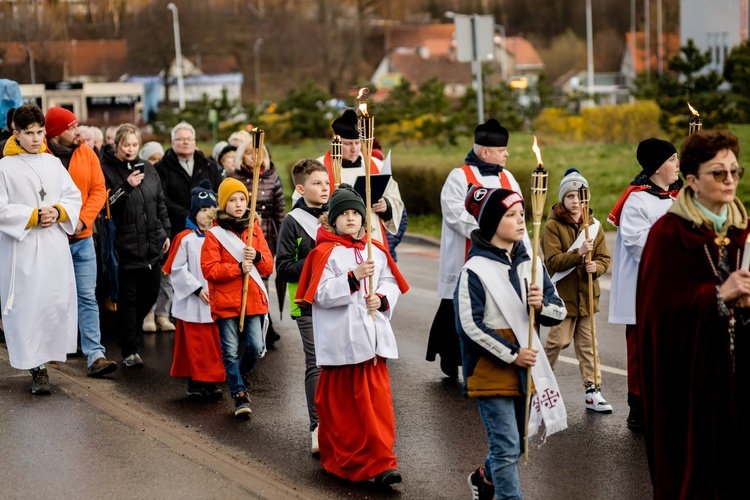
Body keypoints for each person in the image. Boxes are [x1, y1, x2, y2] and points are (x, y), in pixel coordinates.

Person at [636, 130, 749, 498]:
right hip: (690, 385)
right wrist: (717, 296)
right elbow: (658, 315)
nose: (730, 180)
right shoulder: (668, 235)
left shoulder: (742, 230)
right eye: (719, 173)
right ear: (692, 180)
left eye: (736, 171)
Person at [455, 186, 567, 500]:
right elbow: (469, 325)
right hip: (490, 369)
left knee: (518, 443)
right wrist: (513, 353)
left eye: (521, 214)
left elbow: (558, 309)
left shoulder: (531, 264)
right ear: (492, 223)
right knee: (505, 447)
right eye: (510, 215)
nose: (520, 221)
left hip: (525, 368)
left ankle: (482, 478)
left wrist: (540, 306)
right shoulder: (473, 271)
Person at [295, 183, 409, 487]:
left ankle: (383, 461)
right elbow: (318, 293)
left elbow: (392, 283)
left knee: (378, 407)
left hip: (372, 344)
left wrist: (382, 299)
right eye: (343, 214)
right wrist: (352, 279)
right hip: (341, 346)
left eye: (355, 214)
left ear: (363, 219)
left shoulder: (375, 250)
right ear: (333, 219)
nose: (350, 218)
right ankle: (347, 459)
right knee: (344, 410)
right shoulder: (324, 253)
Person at [427, 119, 528, 380]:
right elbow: (454, 214)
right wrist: (492, 231)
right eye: (502, 150)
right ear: (485, 152)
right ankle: (450, 355)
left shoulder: (508, 177)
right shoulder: (459, 176)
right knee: (458, 306)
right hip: (467, 253)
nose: (506, 154)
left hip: (503, 256)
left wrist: (524, 249)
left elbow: (519, 214)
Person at [0, 104, 82, 394]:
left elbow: (73, 197)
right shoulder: (4, 167)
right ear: (16, 133)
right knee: (27, 305)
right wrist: (33, 216)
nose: (36, 139)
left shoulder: (53, 163)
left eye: (40, 132)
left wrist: (59, 212)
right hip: (22, 247)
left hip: (52, 245)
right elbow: (1, 208)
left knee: (54, 300)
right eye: (29, 133)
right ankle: (37, 369)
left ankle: (47, 357)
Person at [607, 137, 682, 431]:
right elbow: (639, 244)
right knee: (641, 349)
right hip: (644, 288)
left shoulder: (679, 197)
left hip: (673, 286)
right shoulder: (637, 200)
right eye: (673, 159)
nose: (678, 165)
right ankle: (637, 405)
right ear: (658, 166)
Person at [44, 106, 118, 378]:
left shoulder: (87, 153)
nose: (78, 131)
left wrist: (83, 220)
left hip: (83, 238)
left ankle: (95, 356)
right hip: (51, 240)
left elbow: (99, 190)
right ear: (55, 133)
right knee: (52, 297)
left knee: (87, 296)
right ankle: (47, 354)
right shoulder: (41, 156)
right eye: (71, 127)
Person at [201, 177, 274, 418]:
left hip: (251, 300)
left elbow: (268, 267)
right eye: (232, 200)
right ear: (223, 204)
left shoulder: (254, 229)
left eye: (242, 199)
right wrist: (237, 268)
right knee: (230, 351)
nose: (239, 204)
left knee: (256, 346)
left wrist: (259, 258)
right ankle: (238, 393)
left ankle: (238, 375)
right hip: (225, 301)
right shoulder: (214, 235)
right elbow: (209, 269)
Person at [541, 168, 612, 412]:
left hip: (587, 297)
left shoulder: (594, 226)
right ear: (563, 198)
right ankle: (539, 384)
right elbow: (552, 263)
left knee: (588, 346)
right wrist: (578, 254)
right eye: (570, 196)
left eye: (580, 196)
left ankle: (593, 391)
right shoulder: (552, 226)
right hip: (563, 298)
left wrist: (597, 267)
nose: (576, 201)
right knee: (557, 341)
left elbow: (604, 258)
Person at [100, 123, 171, 368]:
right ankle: (129, 348)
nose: (130, 149)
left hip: (152, 244)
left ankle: (129, 331)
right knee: (128, 300)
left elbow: (160, 203)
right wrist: (126, 186)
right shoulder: (107, 169)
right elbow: (107, 204)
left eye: (134, 145)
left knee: (150, 294)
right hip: (125, 246)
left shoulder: (149, 168)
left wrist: (166, 233)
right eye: (125, 145)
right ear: (117, 145)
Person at [275, 158, 330, 454]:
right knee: (317, 363)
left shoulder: (334, 215)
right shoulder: (292, 222)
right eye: (316, 183)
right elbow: (282, 267)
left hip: (336, 301)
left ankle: (338, 422)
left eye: (326, 183)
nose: (324, 188)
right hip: (305, 302)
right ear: (300, 188)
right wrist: (316, 263)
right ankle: (317, 427)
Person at [293, 109, 405, 248]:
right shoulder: (317, 167)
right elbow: (300, 202)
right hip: (334, 240)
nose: (354, 149)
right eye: (348, 144)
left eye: (357, 143)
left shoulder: (376, 165)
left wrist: (386, 205)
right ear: (336, 142)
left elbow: (395, 197)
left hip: (371, 238)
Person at [151, 122, 222, 333]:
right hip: (174, 226)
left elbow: (217, 193)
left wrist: (206, 216)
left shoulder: (208, 165)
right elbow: (160, 197)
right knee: (174, 271)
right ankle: (164, 314)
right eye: (180, 139)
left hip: (206, 229)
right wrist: (188, 213)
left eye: (188, 139)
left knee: (202, 269)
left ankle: (207, 312)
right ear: (172, 142)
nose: (185, 142)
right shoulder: (161, 168)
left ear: (195, 142)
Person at [162, 181, 225, 398]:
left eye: (211, 209)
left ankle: (210, 380)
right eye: (202, 210)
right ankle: (197, 381)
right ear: (194, 212)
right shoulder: (185, 239)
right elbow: (177, 269)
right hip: (194, 300)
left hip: (216, 299)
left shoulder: (220, 237)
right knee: (196, 345)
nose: (207, 214)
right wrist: (197, 289)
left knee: (214, 343)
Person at [230, 140, 285, 345]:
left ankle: (264, 324)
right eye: (249, 153)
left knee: (263, 280)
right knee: (243, 279)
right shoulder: (235, 177)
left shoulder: (272, 176)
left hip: (266, 234)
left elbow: (280, 209)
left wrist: (282, 238)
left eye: (258, 153)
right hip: (241, 235)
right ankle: (242, 323)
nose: (254, 157)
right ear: (241, 156)